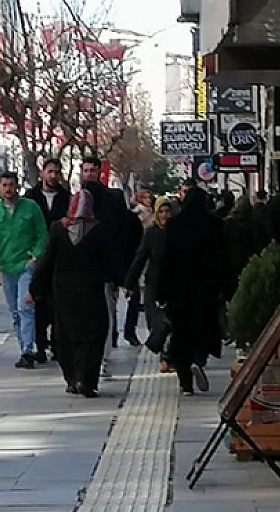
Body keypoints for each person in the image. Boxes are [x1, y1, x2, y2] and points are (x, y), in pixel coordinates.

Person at [33, 189, 113, 398]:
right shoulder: (100, 229)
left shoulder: (58, 228)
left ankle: (71, 378)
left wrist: (35, 288)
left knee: (66, 336)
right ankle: (87, 380)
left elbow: (47, 261)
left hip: (64, 293)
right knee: (93, 336)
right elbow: (109, 262)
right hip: (91, 292)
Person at [157, 188, 231, 395]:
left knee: (181, 334)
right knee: (204, 328)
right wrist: (226, 287)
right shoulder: (214, 224)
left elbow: (166, 260)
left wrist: (161, 292)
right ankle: (198, 360)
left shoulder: (174, 225)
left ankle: (185, 382)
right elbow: (222, 258)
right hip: (206, 289)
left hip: (179, 291)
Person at [0, 171, 49, 370]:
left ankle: (27, 350)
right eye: (5, 185)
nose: (8, 189)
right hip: (6, 267)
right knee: (15, 312)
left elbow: (42, 235)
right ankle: (23, 348)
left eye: (11, 185)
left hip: (26, 265)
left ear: (17, 187)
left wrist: (35, 256)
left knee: (25, 306)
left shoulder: (31, 208)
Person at [77, 156, 141, 361]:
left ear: (99, 172)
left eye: (92, 170)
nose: (89, 174)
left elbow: (123, 232)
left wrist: (121, 270)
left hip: (105, 267)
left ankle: (103, 355)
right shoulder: (76, 199)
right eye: (85, 170)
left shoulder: (112, 199)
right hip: (81, 268)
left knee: (106, 311)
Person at [23, 158, 71, 361]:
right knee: (38, 302)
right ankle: (40, 345)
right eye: (50, 171)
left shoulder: (66, 198)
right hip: (38, 255)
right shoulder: (30, 198)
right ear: (42, 173)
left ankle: (58, 345)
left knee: (58, 303)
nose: (53, 176)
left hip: (60, 256)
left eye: (56, 172)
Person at [124, 197, 173, 370]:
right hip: (154, 284)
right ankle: (163, 355)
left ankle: (167, 357)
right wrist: (129, 283)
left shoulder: (177, 231)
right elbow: (141, 257)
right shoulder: (151, 232)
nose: (165, 215)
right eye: (162, 211)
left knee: (171, 323)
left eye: (167, 211)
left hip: (173, 284)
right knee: (157, 323)